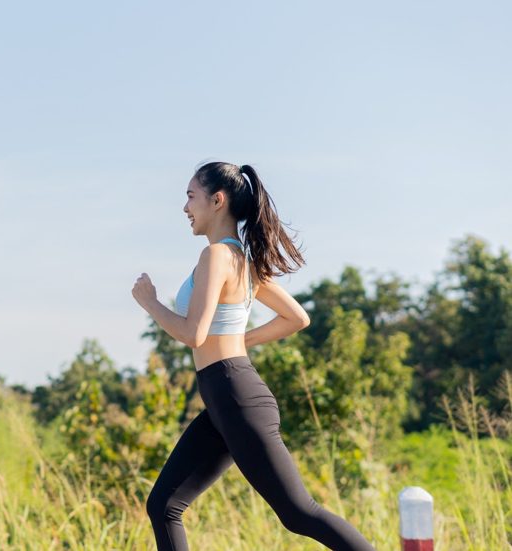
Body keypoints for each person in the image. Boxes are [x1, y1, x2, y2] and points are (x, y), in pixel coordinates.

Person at [131, 161, 376, 550]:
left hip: (235, 396)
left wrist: (151, 303)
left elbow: (194, 334)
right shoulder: (241, 261)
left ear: (217, 200)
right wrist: (239, 341)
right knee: (164, 504)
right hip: (225, 398)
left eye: (190, 196)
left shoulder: (216, 257)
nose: (185, 207)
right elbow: (297, 318)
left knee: (300, 513)